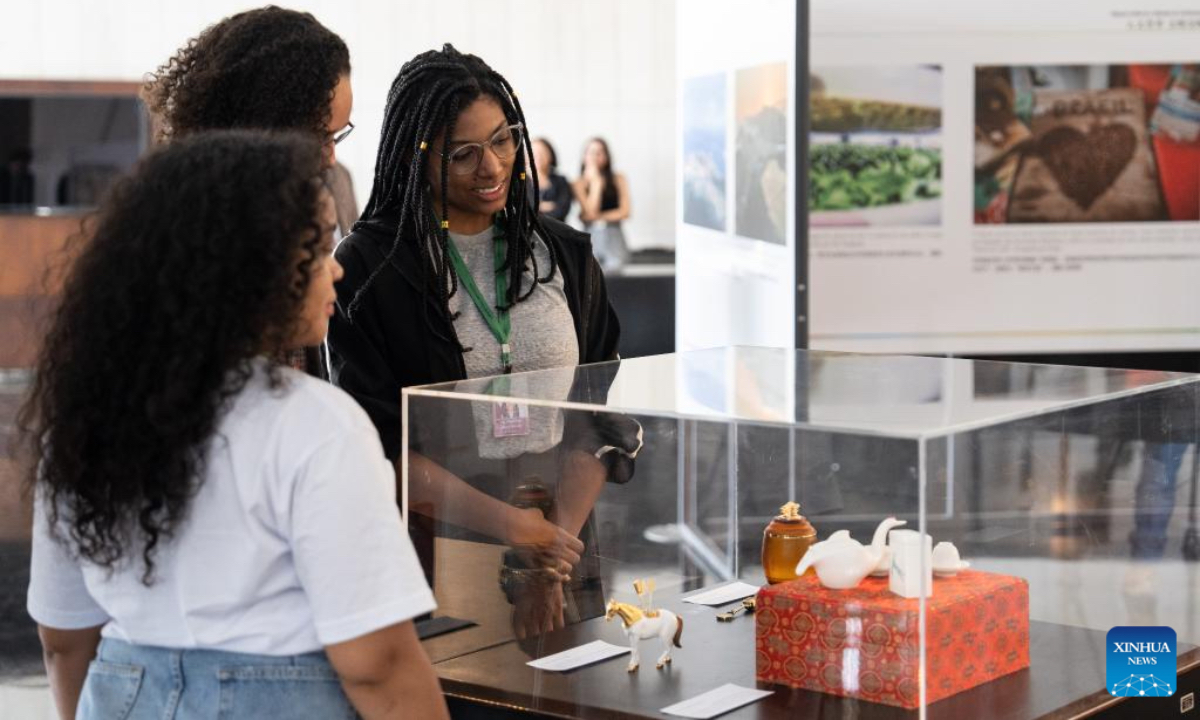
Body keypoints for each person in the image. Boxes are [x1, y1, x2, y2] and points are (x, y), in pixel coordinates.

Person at [22, 131, 449, 720]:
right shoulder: (315, 424)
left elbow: (63, 638)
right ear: (251, 269)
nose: (336, 268)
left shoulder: (83, 426)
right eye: (317, 247)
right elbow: (377, 664)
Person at [328, 45, 638, 638]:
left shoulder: (563, 253)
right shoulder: (372, 269)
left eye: (502, 140)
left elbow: (597, 414)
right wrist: (515, 530)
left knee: (572, 681)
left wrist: (549, 553)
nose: (492, 167)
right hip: (435, 548)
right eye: (463, 154)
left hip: (566, 542)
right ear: (415, 156)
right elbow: (372, 443)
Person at [142, 5, 355, 378]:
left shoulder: (330, 185)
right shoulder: (188, 234)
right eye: (319, 137)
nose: (330, 158)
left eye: (338, 136)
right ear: (267, 125)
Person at [572, 137, 631, 270]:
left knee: (616, 272)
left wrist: (596, 217)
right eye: (591, 152)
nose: (594, 157)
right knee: (591, 273)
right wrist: (596, 182)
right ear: (584, 156)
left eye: (599, 152)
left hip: (614, 234)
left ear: (606, 156)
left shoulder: (618, 179)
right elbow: (590, 212)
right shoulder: (578, 183)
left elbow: (625, 212)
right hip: (590, 235)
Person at [530, 137, 572, 221]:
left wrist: (537, 207)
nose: (538, 157)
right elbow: (524, 211)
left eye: (542, 152)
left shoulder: (561, 181)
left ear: (550, 155)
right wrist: (542, 206)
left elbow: (562, 210)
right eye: (533, 153)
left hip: (557, 227)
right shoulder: (522, 181)